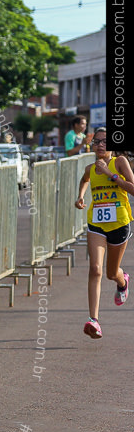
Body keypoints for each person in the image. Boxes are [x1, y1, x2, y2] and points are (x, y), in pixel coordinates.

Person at [75, 128, 134, 338]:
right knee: (95, 269)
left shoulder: (119, 162)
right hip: (96, 224)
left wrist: (111, 175)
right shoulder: (90, 168)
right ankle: (94, 320)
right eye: (97, 141)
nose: (100, 145)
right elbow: (84, 180)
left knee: (111, 273)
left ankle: (122, 281)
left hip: (119, 223)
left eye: (105, 141)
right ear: (92, 146)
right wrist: (80, 197)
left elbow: (133, 188)